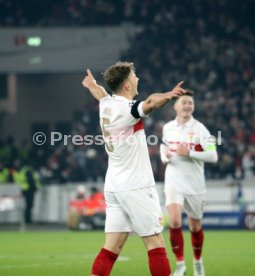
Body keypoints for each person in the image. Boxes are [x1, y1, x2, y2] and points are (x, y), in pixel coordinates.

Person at [82, 61, 186, 276]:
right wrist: (169, 94)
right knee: (155, 243)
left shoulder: (107, 105)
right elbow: (150, 103)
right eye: (134, 76)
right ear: (127, 85)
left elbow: (100, 93)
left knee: (112, 247)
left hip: (114, 186)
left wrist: (92, 84)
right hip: (136, 186)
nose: (137, 79)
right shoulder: (127, 109)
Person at [160, 91, 218, 276]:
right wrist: (164, 157)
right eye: (184, 102)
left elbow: (213, 155)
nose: (187, 106)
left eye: (190, 103)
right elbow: (163, 146)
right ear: (175, 106)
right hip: (173, 179)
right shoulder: (168, 127)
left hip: (194, 183)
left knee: (194, 226)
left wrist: (190, 153)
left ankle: (198, 261)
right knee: (175, 220)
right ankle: (180, 263)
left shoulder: (201, 129)